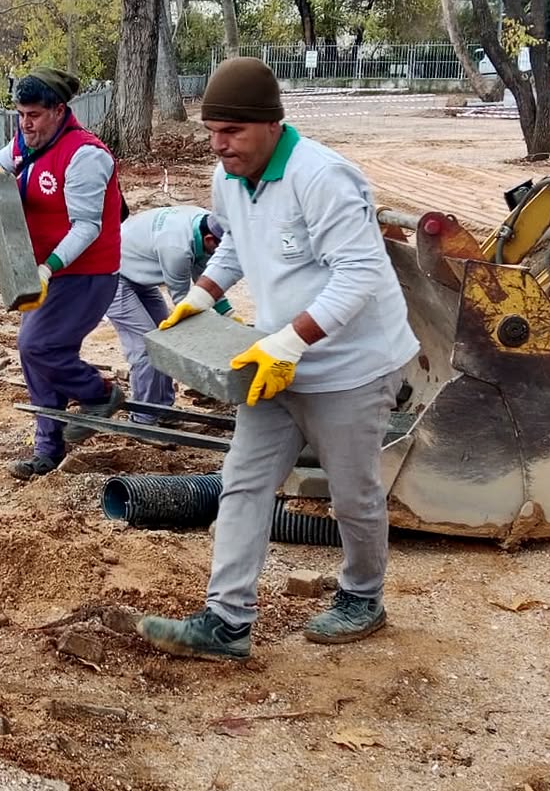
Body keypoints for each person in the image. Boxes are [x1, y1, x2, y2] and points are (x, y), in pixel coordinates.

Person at [137, 57, 419, 654]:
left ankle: (362, 596)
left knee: (351, 494)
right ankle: (226, 622)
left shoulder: (323, 178)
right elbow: (236, 242)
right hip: (274, 363)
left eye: (232, 132)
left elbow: (362, 274)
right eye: (212, 132)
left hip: (353, 365)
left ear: (271, 124)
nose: (220, 145)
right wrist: (201, 295)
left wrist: (290, 341)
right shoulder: (229, 177)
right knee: (243, 481)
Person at [0, 67, 123, 480]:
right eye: (20, 114)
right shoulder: (27, 141)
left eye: (34, 115)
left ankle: (101, 394)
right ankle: (48, 449)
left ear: (59, 111)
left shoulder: (85, 156)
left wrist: (47, 268)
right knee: (35, 351)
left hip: (87, 273)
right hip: (43, 272)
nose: (25, 124)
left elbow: (87, 227)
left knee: (38, 345)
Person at [106, 204, 232, 418]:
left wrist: (229, 315)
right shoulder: (177, 249)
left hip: (137, 271)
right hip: (112, 276)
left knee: (164, 341)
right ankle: (144, 419)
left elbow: (206, 277)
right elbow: (186, 303)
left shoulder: (202, 219)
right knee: (146, 346)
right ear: (211, 240)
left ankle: (163, 411)